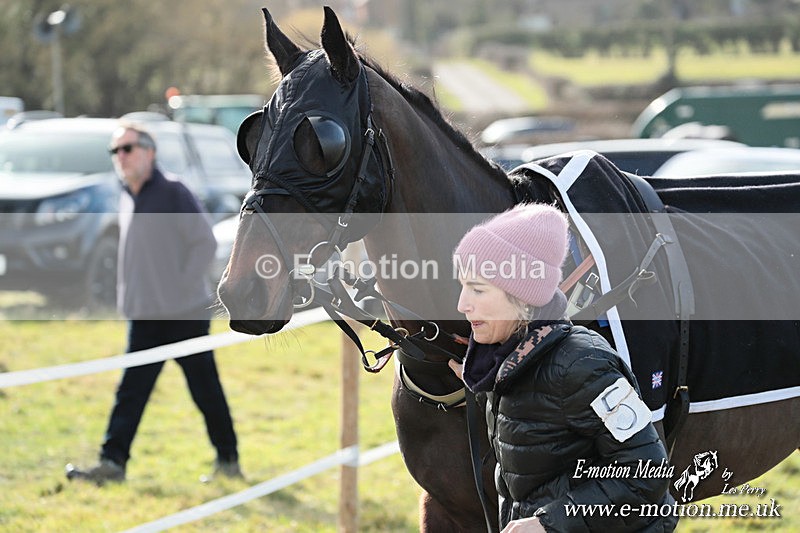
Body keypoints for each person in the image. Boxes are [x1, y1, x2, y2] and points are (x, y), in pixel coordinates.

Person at [449, 204, 676, 532]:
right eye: (462, 286)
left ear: (521, 297)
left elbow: (647, 476)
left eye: (477, 289)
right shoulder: (506, 361)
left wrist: (548, 524)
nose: (462, 304)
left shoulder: (582, 364)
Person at [66, 122, 241, 484]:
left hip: (184, 315)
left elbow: (204, 243)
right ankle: (112, 463)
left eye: (127, 149)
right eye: (115, 151)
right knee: (131, 392)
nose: (121, 157)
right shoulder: (127, 194)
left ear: (150, 152)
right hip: (144, 317)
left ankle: (228, 461)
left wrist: (179, 288)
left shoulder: (174, 192)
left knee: (205, 389)